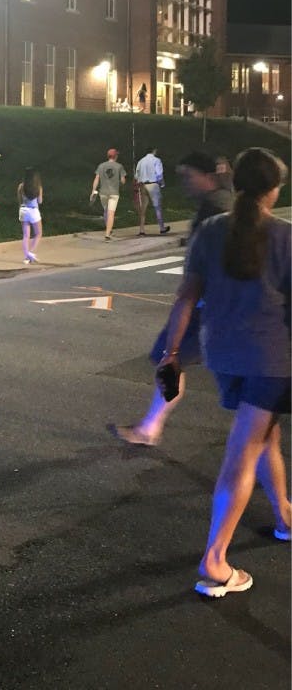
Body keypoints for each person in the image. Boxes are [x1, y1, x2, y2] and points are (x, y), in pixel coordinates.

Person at [156, 148, 290, 597]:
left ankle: (285, 515)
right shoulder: (285, 237)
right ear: (273, 190)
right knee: (244, 450)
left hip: (224, 356)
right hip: (271, 360)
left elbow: (186, 296)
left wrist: (171, 354)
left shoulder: (211, 231)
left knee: (264, 435)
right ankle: (215, 560)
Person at [114, 151, 234, 446]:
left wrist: (191, 299)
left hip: (207, 306)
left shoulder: (215, 210)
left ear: (208, 176)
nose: (184, 183)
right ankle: (150, 427)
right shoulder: (221, 203)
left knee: (170, 358)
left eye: (188, 176)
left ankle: (149, 429)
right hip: (218, 304)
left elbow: (209, 265)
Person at [90, 148, 126, 241]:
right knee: (111, 213)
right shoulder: (119, 166)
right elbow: (123, 181)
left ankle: (108, 228)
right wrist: (120, 182)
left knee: (106, 211)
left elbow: (96, 178)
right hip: (114, 193)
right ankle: (107, 234)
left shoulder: (101, 166)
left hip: (103, 193)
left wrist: (93, 190)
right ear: (116, 156)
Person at [134, 147, 170, 236]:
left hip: (143, 185)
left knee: (143, 209)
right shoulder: (156, 160)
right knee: (157, 207)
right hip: (153, 184)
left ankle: (142, 230)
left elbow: (136, 176)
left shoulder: (141, 161)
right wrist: (162, 184)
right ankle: (162, 228)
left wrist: (139, 183)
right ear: (153, 151)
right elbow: (159, 174)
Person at [17, 168, 43, 264]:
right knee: (38, 233)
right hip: (33, 210)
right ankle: (30, 253)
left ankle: (27, 257)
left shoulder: (21, 186)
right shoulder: (38, 187)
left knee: (26, 235)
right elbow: (40, 201)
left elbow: (19, 200)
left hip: (23, 210)